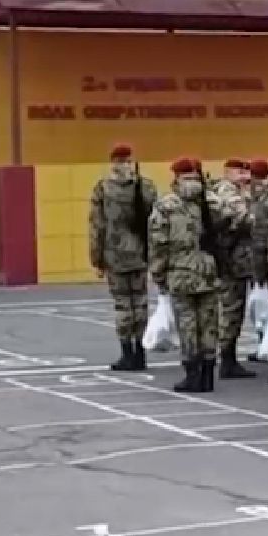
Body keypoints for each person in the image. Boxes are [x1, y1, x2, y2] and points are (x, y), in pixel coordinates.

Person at [149, 159, 220, 392]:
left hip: (180, 272)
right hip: (208, 270)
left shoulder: (167, 205)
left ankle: (192, 374)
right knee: (209, 323)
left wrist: (158, 273)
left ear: (176, 176)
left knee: (187, 324)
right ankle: (208, 374)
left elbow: (159, 242)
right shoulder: (211, 201)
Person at [88, 144, 159, 371]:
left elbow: (97, 226)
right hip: (140, 254)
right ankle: (140, 352)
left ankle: (127, 353)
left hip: (115, 255)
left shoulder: (103, 188)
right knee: (140, 304)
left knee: (122, 306)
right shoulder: (146, 187)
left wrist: (96, 258)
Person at [212, 159, 256, 379]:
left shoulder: (232, 191)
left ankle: (227, 356)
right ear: (228, 172)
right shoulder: (228, 192)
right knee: (231, 310)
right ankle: (227, 358)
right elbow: (245, 219)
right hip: (231, 260)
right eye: (240, 172)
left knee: (233, 309)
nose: (244, 176)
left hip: (236, 259)